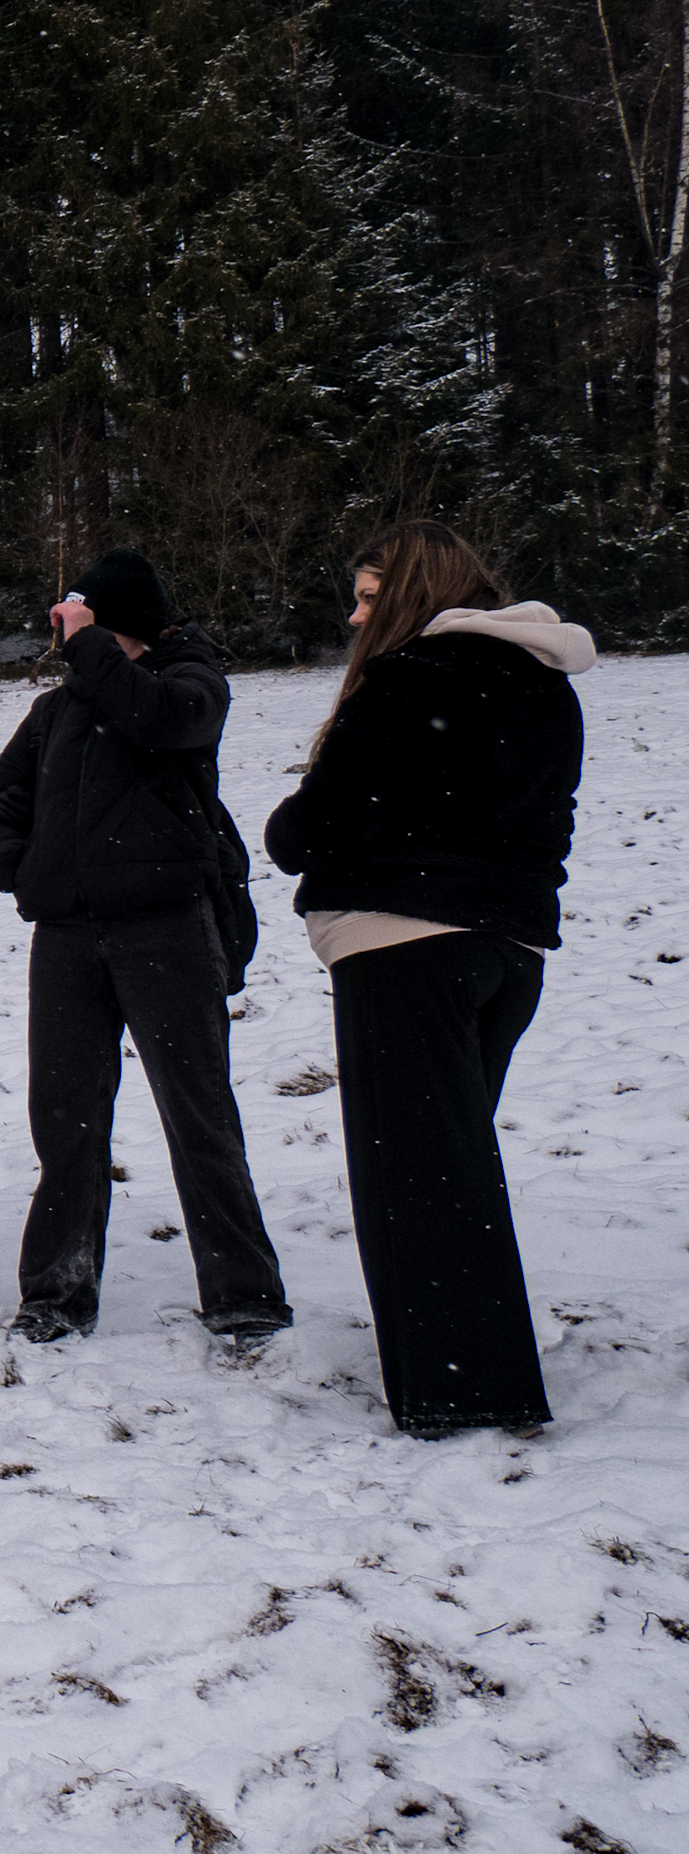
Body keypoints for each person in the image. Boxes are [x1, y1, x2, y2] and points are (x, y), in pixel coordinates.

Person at [262, 522, 591, 1438]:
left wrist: (286, 825)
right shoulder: (546, 687)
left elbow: (324, 822)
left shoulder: (413, 680)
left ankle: (464, 1390)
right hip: (509, 955)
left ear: (413, 591)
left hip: (404, 946)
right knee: (454, 1170)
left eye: (370, 595)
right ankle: (468, 1376)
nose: (355, 615)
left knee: (414, 1179)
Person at [0, 549, 290, 1356]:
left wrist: (91, 647)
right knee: (65, 1123)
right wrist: (25, 869)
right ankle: (56, 1292)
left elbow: (161, 719)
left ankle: (244, 1295)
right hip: (67, 937)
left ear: (120, 625)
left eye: (84, 622)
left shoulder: (190, 682)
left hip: (166, 928)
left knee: (198, 1114)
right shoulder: (58, 711)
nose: (68, 636)